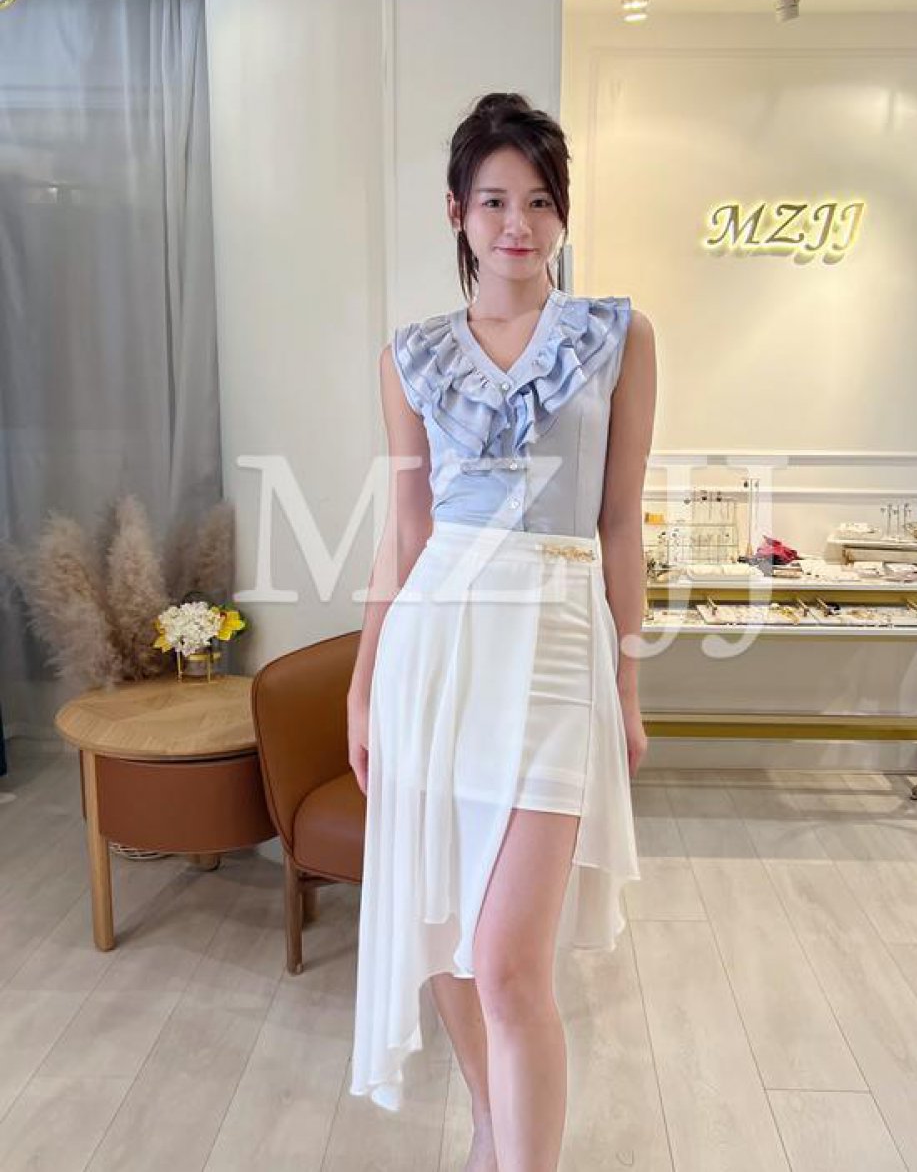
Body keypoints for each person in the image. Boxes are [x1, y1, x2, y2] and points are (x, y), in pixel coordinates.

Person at [346, 91, 657, 1171]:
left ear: (562, 212)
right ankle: (490, 1119)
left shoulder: (617, 338)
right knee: (442, 924)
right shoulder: (410, 357)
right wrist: (362, 687)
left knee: (512, 961)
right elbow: (406, 530)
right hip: (435, 654)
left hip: (558, 650)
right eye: (493, 200)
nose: (517, 223)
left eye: (539, 200)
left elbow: (621, 525)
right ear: (457, 212)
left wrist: (626, 687)